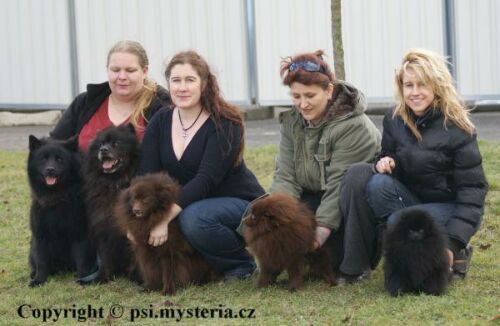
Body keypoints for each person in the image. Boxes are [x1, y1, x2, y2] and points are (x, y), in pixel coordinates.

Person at [137, 50, 265, 281]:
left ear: (204, 84)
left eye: (190, 80)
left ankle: (241, 265)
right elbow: (147, 175)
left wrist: (163, 217)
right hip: (190, 202)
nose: (182, 87)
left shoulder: (225, 122)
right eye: (176, 81)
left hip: (240, 204)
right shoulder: (160, 119)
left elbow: (205, 181)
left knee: (194, 219)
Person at [366, 48, 488, 278]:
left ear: (437, 87)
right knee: (377, 185)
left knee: (398, 221)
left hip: (451, 207)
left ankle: (454, 250)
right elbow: (387, 154)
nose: (415, 92)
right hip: (416, 199)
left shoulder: (457, 127)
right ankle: (409, 252)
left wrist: (452, 241)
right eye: (408, 85)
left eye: (422, 85)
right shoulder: (394, 118)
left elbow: (473, 192)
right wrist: (384, 162)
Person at [269, 50, 381, 283]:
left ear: (329, 90)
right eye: (296, 96)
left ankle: (358, 258)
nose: (303, 104)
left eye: (310, 95)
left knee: (332, 259)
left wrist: (318, 234)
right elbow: (285, 175)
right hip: (313, 195)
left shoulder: (354, 127)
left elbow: (339, 184)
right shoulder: (291, 122)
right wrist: (281, 222)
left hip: (351, 206)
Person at [50, 40, 171, 151]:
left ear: (144, 72)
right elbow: (54, 147)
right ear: (107, 70)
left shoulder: (162, 107)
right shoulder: (84, 102)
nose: (122, 77)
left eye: (130, 70)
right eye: (115, 70)